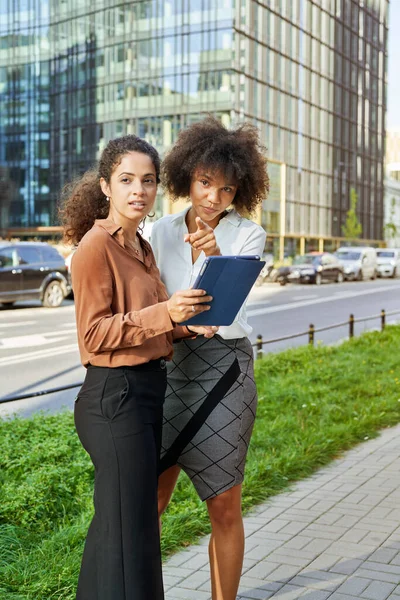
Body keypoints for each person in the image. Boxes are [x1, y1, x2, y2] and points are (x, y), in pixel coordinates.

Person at [60, 135, 216, 600]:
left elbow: (149, 328)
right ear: (106, 186)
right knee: (127, 532)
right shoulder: (95, 247)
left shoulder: (142, 249)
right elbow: (94, 336)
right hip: (114, 398)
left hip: (146, 395)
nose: (139, 191)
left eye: (148, 181)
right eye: (126, 180)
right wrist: (165, 313)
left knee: (130, 529)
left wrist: (187, 327)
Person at [151, 116, 269, 600]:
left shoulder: (247, 235)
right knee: (150, 498)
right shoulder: (158, 232)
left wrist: (214, 254)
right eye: (204, 183)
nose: (212, 198)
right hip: (170, 369)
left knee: (223, 503)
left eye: (225, 189)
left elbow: (226, 312)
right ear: (186, 177)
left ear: (239, 190)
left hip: (225, 374)